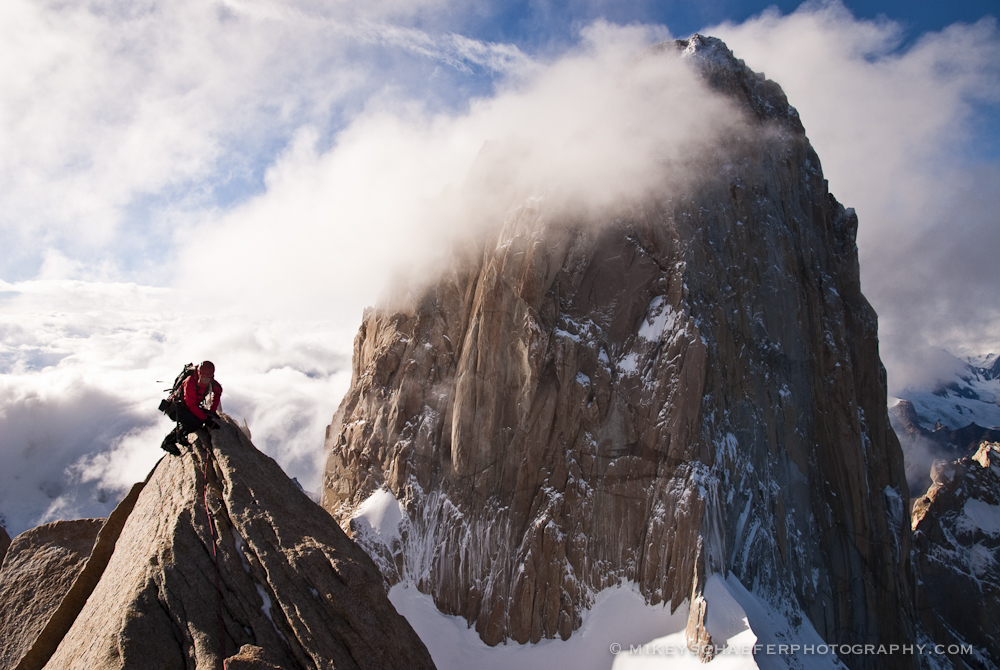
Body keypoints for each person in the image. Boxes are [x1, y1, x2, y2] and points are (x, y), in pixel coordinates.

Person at [161, 361, 223, 455]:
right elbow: (191, 405)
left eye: (207, 378)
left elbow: (218, 392)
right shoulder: (190, 381)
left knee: (200, 418)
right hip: (175, 408)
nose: (205, 381)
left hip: (187, 407)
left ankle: (182, 437)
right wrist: (206, 419)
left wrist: (212, 412)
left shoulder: (211, 383)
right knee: (195, 422)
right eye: (203, 378)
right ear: (199, 374)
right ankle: (168, 442)